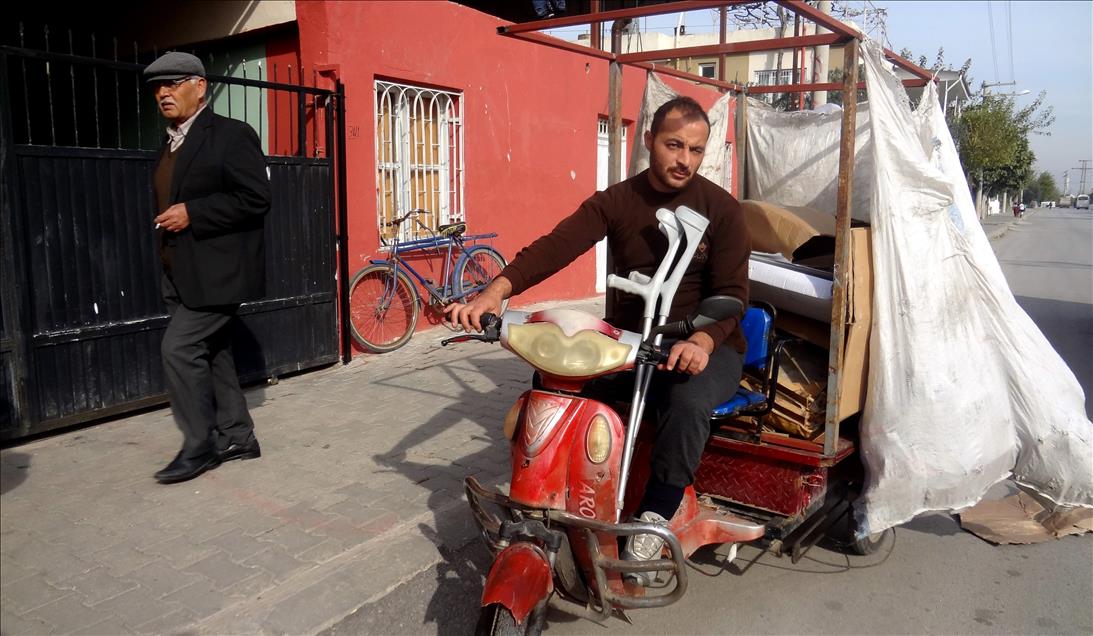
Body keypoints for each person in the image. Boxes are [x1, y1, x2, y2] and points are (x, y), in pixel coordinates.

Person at [445, 96, 750, 583]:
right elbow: (558, 243)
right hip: (627, 342)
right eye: (674, 145)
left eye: (695, 150)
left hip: (699, 348)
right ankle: (553, 493)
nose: (683, 160)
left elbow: (733, 295)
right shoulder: (618, 201)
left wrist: (703, 342)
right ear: (649, 138)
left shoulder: (723, 211)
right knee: (556, 382)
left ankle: (656, 513)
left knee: (686, 403)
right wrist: (494, 293)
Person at [144, 52, 271, 484]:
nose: (163, 92)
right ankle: (238, 436)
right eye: (157, 87)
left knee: (178, 349)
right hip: (182, 271)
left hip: (219, 274)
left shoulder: (232, 135)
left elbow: (256, 198)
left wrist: (194, 212)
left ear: (199, 86)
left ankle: (199, 446)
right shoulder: (168, 144)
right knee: (214, 351)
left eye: (172, 83)